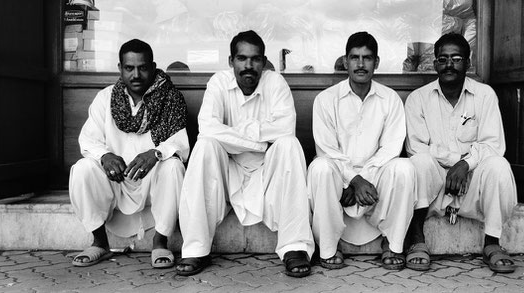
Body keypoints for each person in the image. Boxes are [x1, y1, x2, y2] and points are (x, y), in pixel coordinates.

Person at [176, 30, 314, 278]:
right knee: (206, 144)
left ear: (263, 61)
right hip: (228, 171)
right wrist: (260, 142)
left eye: (255, 59)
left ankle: (294, 246)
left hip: (266, 173)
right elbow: (208, 128)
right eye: (241, 58)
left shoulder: (275, 83)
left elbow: (285, 128)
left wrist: (233, 135)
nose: (248, 66)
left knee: (289, 145)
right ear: (231, 61)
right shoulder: (218, 82)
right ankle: (197, 248)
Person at [69, 39, 189, 269]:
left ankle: (160, 242)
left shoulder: (170, 99)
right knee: (83, 168)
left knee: (173, 166)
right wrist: (105, 156)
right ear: (120, 68)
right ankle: (100, 242)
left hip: (152, 183)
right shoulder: (106, 98)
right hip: (116, 180)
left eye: (142, 68)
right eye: (129, 68)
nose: (136, 74)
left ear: (153, 67)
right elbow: (88, 139)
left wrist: (155, 154)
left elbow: (181, 144)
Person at [404, 33, 518, 273]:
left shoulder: (485, 95)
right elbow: (416, 146)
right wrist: (458, 163)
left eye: (456, 58)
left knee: (498, 165)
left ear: (468, 62)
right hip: (435, 186)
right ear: (434, 64)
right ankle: (416, 237)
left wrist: (466, 165)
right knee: (418, 162)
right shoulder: (418, 99)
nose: (449, 64)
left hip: (471, 185)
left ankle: (492, 243)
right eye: (443, 58)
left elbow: (493, 144)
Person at [307, 31, 417, 271]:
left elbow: (391, 147)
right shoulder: (326, 100)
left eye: (367, 58)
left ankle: (393, 244)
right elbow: (326, 149)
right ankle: (327, 248)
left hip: (374, 179)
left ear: (376, 62)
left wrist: (361, 180)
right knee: (320, 167)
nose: (360, 63)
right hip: (340, 177)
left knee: (405, 168)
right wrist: (352, 180)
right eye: (354, 57)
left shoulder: (390, 99)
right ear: (346, 61)